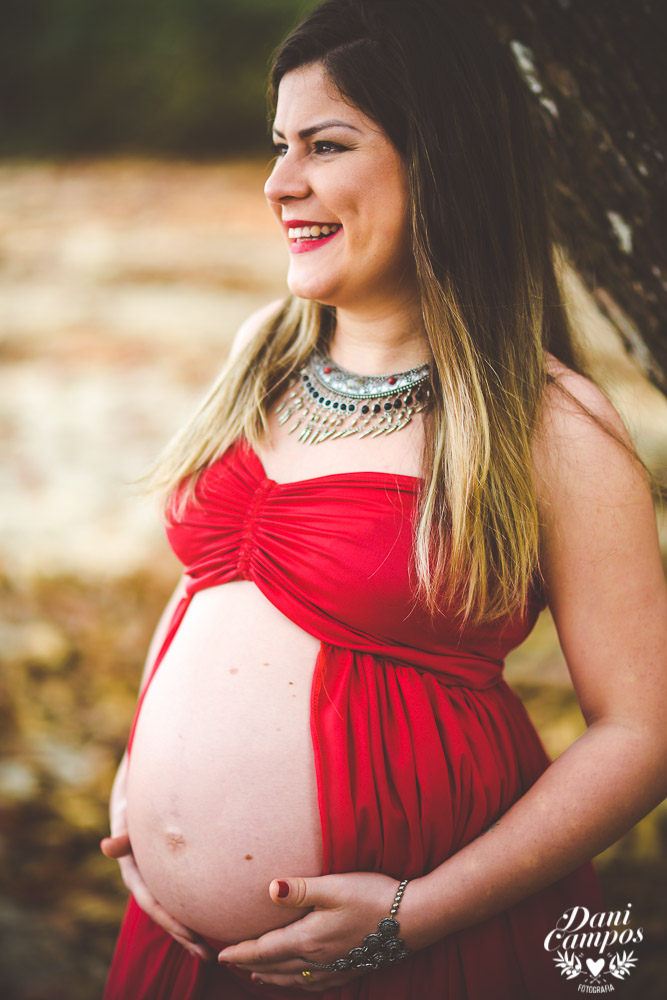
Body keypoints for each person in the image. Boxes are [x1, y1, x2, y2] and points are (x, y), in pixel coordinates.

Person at [100, 1, 667, 997]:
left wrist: (411, 917)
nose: (280, 184)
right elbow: (212, 584)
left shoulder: (549, 426)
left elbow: (642, 730)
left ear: (441, 160)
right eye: (278, 146)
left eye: (324, 144)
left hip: (424, 951)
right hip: (177, 950)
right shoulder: (261, 355)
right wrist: (142, 780)